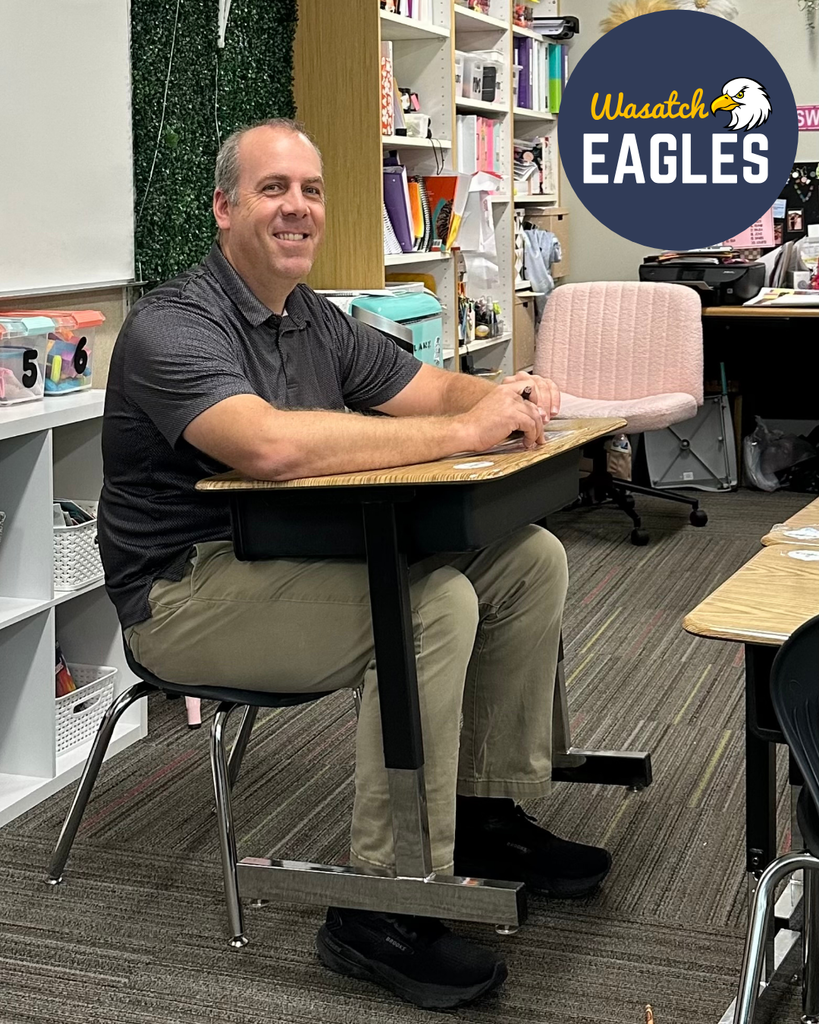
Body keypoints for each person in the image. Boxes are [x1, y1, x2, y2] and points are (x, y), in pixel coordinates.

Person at [97, 118, 611, 1011]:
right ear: (223, 209)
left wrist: (498, 393)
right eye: (272, 189)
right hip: (184, 590)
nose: (297, 207)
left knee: (525, 559)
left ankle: (477, 819)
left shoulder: (317, 321)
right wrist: (461, 432)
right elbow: (265, 449)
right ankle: (378, 904)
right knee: (432, 604)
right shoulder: (169, 325)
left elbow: (426, 385)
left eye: (311, 190)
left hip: (293, 553)